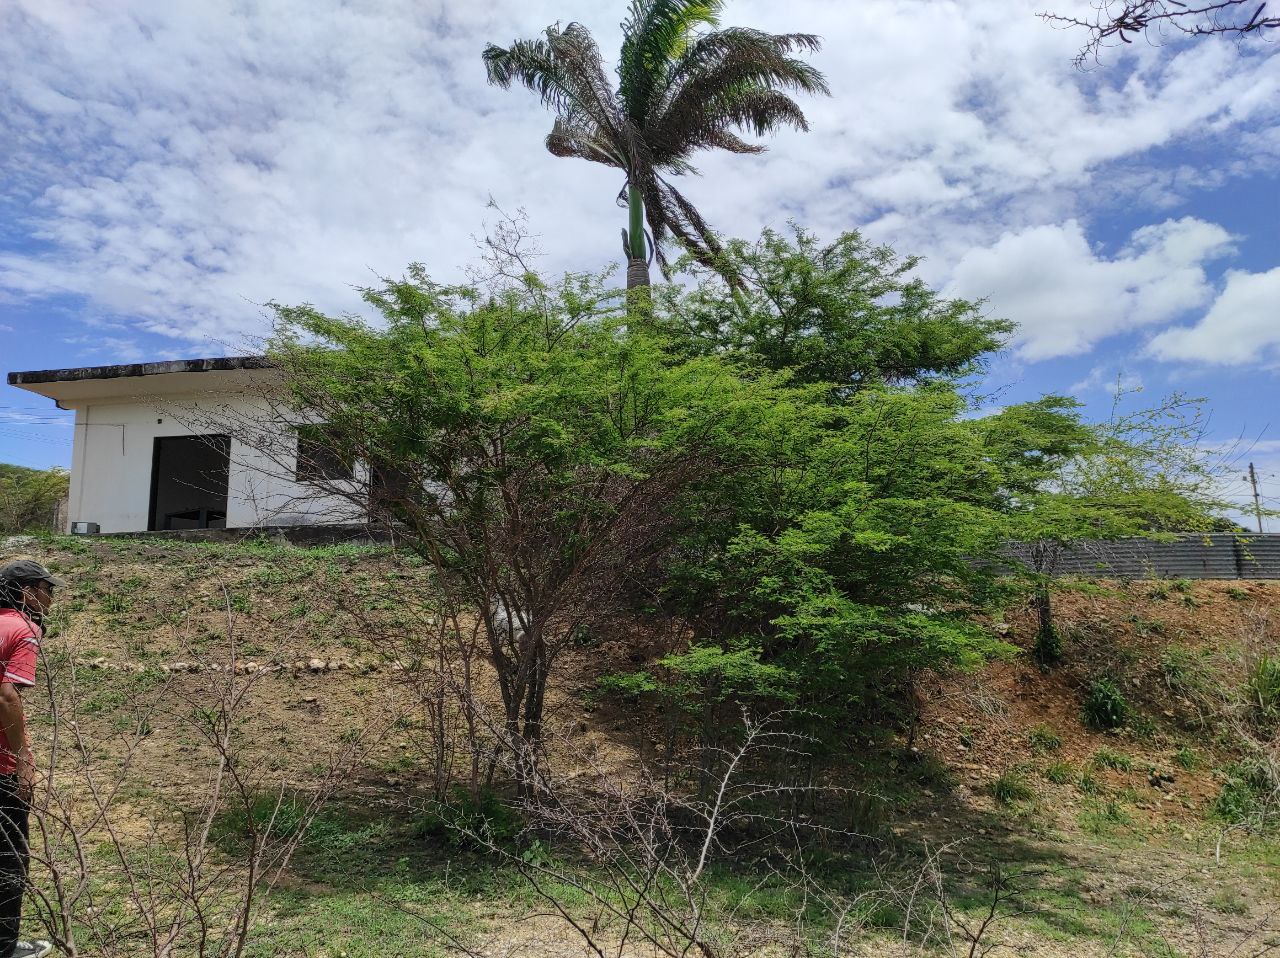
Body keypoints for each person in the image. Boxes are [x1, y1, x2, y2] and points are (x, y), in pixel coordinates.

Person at [0, 560, 59, 958]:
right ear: (26, 592)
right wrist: (21, 758)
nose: (51, 597)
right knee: (9, 857)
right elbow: (5, 695)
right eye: (45, 588)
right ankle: (4, 947)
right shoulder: (23, 629)